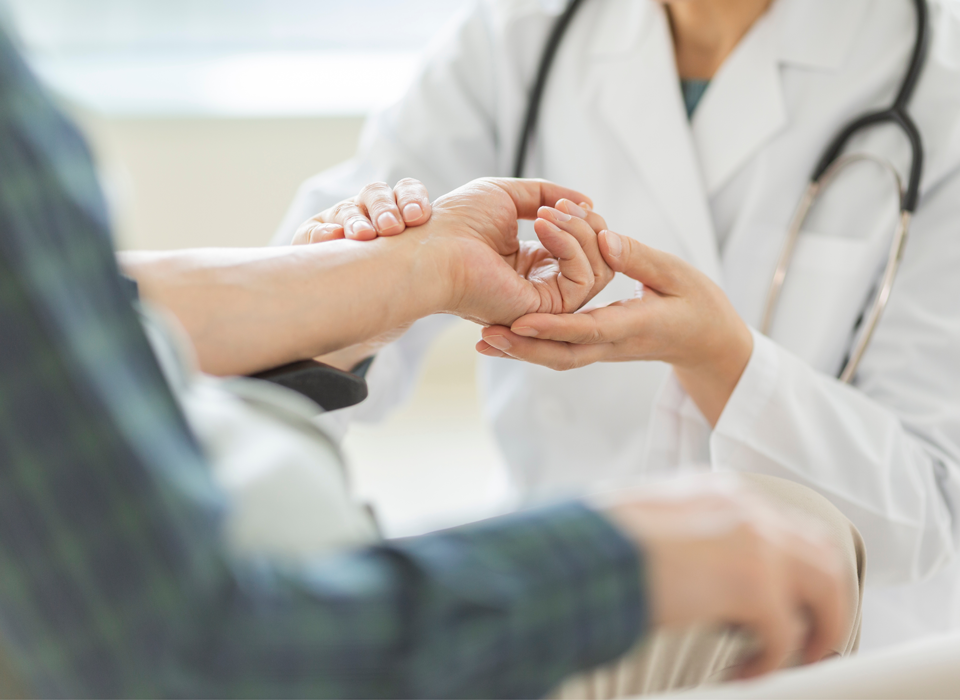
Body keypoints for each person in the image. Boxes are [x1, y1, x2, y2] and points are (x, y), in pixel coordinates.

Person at [0, 24, 855, 697]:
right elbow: (200, 660)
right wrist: (613, 560)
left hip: (308, 567)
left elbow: (86, 316)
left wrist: (410, 270)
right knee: (792, 535)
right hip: (326, 637)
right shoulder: (517, 33)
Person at [275, 0, 960, 650]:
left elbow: (933, 510)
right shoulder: (515, 36)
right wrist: (361, 301)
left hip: (833, 643)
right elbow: (282, 350)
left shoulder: (937, 80)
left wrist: (723, 360)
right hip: (562, 601)